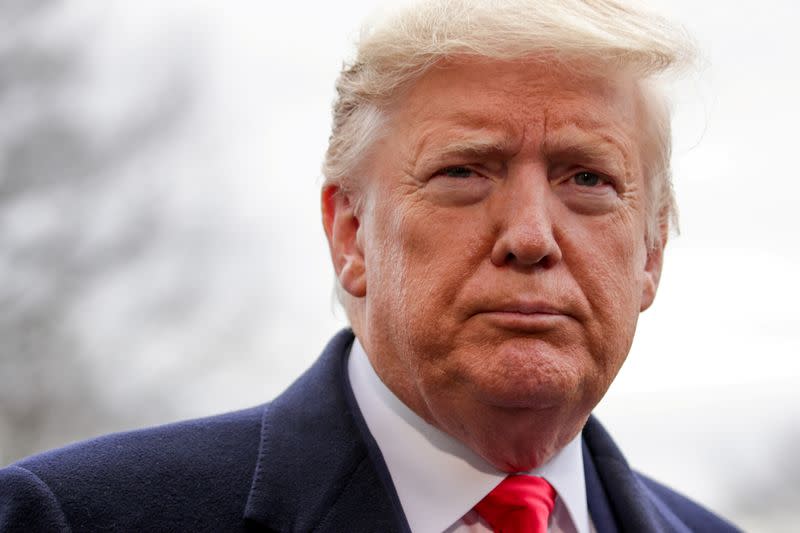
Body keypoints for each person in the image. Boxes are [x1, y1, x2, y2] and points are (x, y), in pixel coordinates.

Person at [0, 0, 741, 531]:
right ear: (351, 233)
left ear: (650, 254)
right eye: (465, 171)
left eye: (587, 178)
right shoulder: (69, 515)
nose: (529, 235)